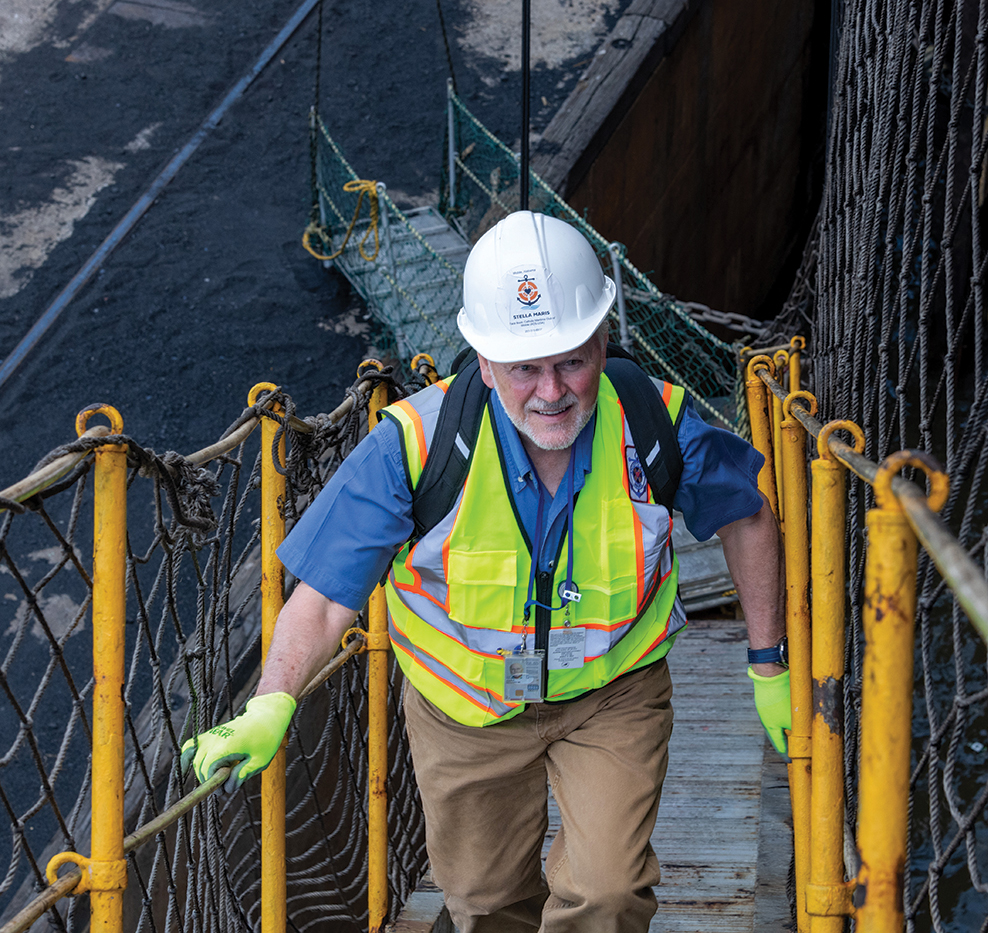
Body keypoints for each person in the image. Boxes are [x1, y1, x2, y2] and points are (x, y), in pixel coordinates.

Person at [181, 210, 792, 933]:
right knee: (483, 901)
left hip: (613, 696)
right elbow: (320, 600)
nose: (552, 389)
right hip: (462, 713)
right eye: (525, 367)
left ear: (602, 338)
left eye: (571, 357)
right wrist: (271, 700)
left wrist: (767, 663)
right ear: (483, 358)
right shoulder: (413, 446)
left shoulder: (658, 423)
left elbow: (747, 515)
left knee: (608, 890)